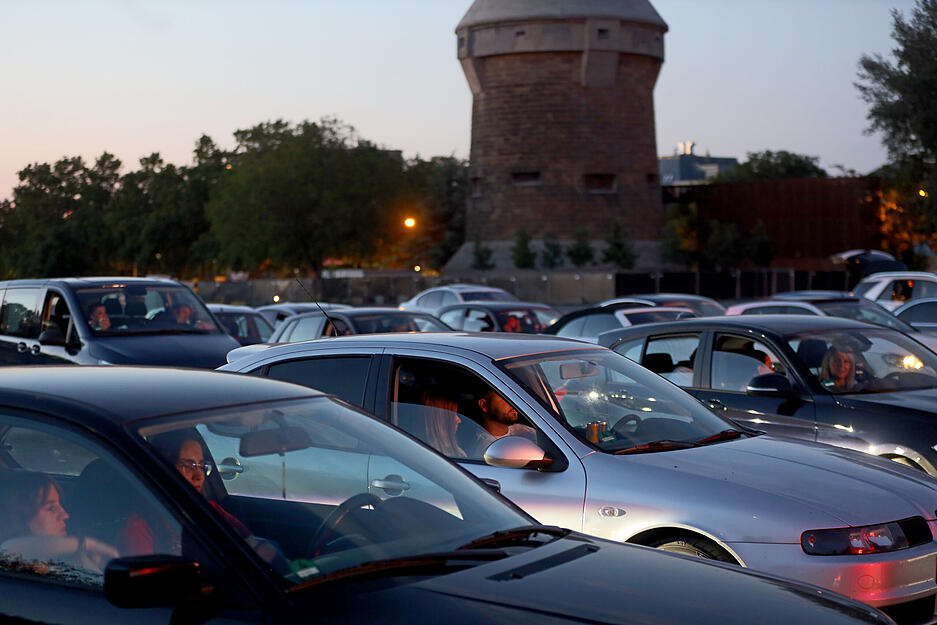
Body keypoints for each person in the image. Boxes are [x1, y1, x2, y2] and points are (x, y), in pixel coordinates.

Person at [149, 432, 281, 565]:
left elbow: (253, 542)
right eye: (188, 466)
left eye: (201, 466)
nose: (198, 476)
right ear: (164, 467)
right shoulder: (147, 523)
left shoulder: (211, 509)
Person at [0, 472, 118, 574]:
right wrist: (85, 544)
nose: (65, 515)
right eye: (51, 508)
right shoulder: (11, 562)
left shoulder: (67, 558)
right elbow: (9, 550)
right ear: (18, 517)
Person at [466, 390, 536, 457]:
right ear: (484, 405)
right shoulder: (488, 450)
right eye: (504, 397)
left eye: (513, 397)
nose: (513, 402)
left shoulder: (522, 429)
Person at [421, 393, 465, 458]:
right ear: (440, 419)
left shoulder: (454, 450)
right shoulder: (440, 456)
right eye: (452, 415)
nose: (459, 420)